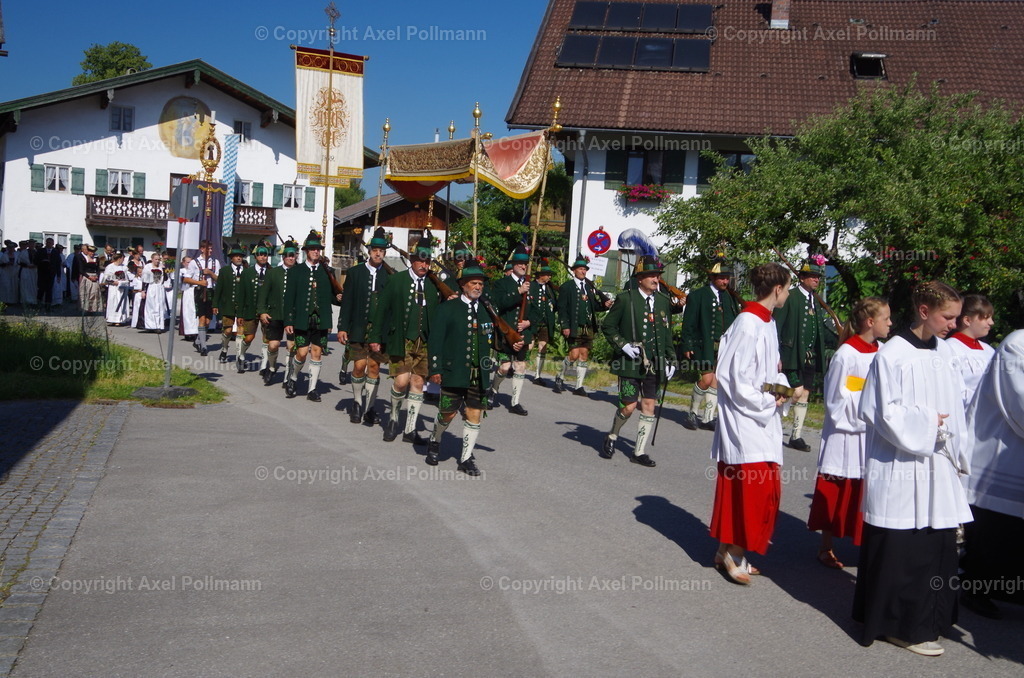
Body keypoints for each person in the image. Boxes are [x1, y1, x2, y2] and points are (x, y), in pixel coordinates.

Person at [853, 281, 972, 657]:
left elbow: (960, 409)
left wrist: (957, 452)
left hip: (937, 465)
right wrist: (928, 424)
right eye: (947, 317)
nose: (954, 324)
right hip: (901, 465)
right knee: (903, 548)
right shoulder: (892, 356)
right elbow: (879, 412)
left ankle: (929, 621)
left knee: (936, 545)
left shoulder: (944, 355)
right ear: (924, 311)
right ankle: (899, 626)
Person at [708, 262, 791, 584]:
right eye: (787, 288)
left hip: (762, 416)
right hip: (745, 419)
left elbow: (768, 370)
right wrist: (767, 400)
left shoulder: (767, 322)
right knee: (753, 487)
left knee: (757, 485)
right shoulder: (747, 322)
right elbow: (731, 376)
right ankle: (735, 552)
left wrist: (780, 388)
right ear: (778, 288)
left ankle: (725, 548)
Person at [806, 297, 891, 569]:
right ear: (870, 322)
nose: (891, 323)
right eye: (886, 319)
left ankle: (865, 544)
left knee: (868, 491)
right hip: (847, 434)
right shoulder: (846, 354)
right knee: (838, 489)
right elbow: (835, 399)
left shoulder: (885, 351)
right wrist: (867, 407)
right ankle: (825, 546)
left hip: (874, 433)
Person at [961, 329, 1024, 619]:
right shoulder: (1016, 346)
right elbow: (1019, 404)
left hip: (1014, 455)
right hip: (998, 453)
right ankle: (976, 588)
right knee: (995, 528)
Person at [425, 262, 511, 476]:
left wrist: (507, 349)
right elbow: (435, 341)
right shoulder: (447, 308)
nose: (478, 287)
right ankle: (435, 442)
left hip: (478, 375)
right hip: (453, 372)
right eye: (473, 283)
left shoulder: (486, 310)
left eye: (480, 284)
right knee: (447, 413)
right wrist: (435, 368)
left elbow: (495, 339)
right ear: (463, 285)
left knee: (474, 414)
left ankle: (465, 457)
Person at [600, 255, 678, 468]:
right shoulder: (626, 298)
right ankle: (613, 435)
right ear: (640, 278)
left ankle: (639, 451)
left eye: (657, 275)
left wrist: (671, 360)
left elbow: (666, 334)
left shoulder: (663, 301)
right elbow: (608, 326)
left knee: (649, 405)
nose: (656, 279)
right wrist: (623, 345)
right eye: (651, 275)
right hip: (629, 362)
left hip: (655, 362)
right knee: (629, 406)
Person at [369, 236, 440, 444]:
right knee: (401, 382)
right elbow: (382, 310)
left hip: (424, 342)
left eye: (427, 262)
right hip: (401, 339)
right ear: (412, 260)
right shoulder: (396, 280)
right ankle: (392, 420)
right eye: (420, 260)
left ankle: (410, 429)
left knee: (418, 382)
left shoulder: (433, 286)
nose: (424, 265)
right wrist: (375, 337)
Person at [775, 256, 838, 451]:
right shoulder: (791, 296)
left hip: (810, 356)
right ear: (801, 277)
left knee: (805, 395)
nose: (816, 280)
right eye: (811, 276)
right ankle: (775, 405)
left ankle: (796, 435)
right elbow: (775, 326)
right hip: (792, 354)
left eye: (817, 277)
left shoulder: (815, 301)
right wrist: (776, 354)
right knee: (796, 392)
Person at [680, 257, 742, 430]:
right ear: (713, 278)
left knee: (718, 380)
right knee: (707, 380)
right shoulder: (698, 295)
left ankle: (707, 418)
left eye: (727, 277)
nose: (725, 281)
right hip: (703, 345)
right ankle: (692, 413)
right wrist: (687, 344)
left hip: (724, 346)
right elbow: (689, 322)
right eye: (722, 278)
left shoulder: (730, 298)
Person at [337, 227, 391, 424]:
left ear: (385, 253)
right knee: (359, 366)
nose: (378, 253)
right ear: (369, 251)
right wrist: (342, 327)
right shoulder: (355, 273)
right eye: (375, 250)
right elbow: (348, 302)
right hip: (358, 327)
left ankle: (370, 407)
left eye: (382, 250)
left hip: (379, 331)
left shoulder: (390, 276)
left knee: (374, 367)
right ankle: (357, 402)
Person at [283, 231, 334, 401]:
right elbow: (289, 298)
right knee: (302, 352)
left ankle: (312, 389)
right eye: (313, 249)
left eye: (318, 249)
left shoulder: (328, 271)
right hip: (301, 319)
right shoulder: (296, 271)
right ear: (306, 251)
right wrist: (288, 320)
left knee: (317, 352)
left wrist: (340, 298)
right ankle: (293, 378)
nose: (316, 252)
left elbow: (332, 295)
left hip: (321, 319)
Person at [556, 254, 613, 396]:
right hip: (573, 326)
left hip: (588, 327)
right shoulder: (566, 287)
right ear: (574, 270)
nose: (583, 271)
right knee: (574, 354)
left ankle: (578, 386)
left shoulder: (589, 287)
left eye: (585, 269)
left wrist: (604, 305)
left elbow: (594, 307)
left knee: (584, 354)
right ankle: (560, 376)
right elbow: (561, 308)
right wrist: (565, 326)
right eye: (581, 269)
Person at [489, 245, 535, 414]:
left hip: (524, 333)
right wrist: (518, 291)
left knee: (520, 366)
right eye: (520, 263)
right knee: (504, 367)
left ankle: (515, 402)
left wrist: (529, 322)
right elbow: (498, 304)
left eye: (526, 264)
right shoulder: (502, 284)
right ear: (514, 265)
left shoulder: (532, 285)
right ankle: (493, 390)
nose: (524, 266)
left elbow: (538, 311)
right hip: (506, 332)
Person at [257, 238, 299, 386]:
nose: (291, 257)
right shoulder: (273, 273)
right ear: (283, 257)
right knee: (273, 345)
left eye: (293, 255)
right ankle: (272, 367)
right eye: (288, 255)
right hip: (275, 314)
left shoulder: (301, 273)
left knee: (291, 346)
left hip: (293, 317)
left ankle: (288, 376)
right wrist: (262, 312)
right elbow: (263, 294)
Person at [945, 294, 996, 406]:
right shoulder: (950, 348)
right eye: (986, 318)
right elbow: (957, 392)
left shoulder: (989, 350)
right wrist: (992, 398)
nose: (991, 322)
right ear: (967, 320)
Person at [234, 241, 271, 374]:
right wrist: (240, 314)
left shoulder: (271, 272)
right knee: (249, 337)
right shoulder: (247, 273)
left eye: (265, 254)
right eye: (260, 254)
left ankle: (264, 364)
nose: (263, 257)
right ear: (255, 256)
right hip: (250, 309)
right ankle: (241, 356)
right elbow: (241, 295)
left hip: (266, 311)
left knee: (267, 338)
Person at [183, 240, 221, 357]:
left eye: (211, 248)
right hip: (199, 291)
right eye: (208, 248)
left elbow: (219, 279)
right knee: (202, 318)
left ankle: (198, 340)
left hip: (211, 291)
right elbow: (186, 279)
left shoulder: (215, 262)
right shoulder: (194, 263)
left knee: (208, 321)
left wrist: (210, 272)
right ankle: (204, 347)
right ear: (202, 249)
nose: (210, 250)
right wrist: (199, 282)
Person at [213, 243, 247, 363]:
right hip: (228, 305)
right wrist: (215, 304)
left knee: (240, 331)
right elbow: (219, 289)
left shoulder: (247, 271)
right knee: (227, 331)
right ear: (231, 258)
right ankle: (224, 349)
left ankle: (239, 356)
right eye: (236, 256)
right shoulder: (224, 271)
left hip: (243, 307)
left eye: (240, 256)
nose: (238, 258)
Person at [528, 259, 558, 386]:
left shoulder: (550, 290)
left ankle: (537, 375)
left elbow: (554, 305)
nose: (550, 276)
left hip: (545, 323)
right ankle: (518, 368)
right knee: (528, 346)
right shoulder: (531, 286)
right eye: (547, 274)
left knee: (543, 348)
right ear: (540, 275)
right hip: (531, 322)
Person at [102, 252, 132, 326]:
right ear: (119, 258)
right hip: (114, 288)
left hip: (122, 288)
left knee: (122, 302)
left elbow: (128, 277)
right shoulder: (110, 267)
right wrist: (113, 282)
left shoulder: (124, 267)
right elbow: (105, 279)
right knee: (114, 302)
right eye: (122, 259)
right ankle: (113, 319)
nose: (123, 260)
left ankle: (121, 319)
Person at [141, 252, 168, 332]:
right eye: (155, 259)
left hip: (159, 288)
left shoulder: (161, 267)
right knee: (151, 306)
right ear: (152, 259)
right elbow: (144, 280)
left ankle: (158, 325)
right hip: (151, 287)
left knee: (159, 306)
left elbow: (165, 278)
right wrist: (143, 290)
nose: (157, 261)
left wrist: (164, 269)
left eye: (158, 259)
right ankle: (150, 325)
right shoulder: (147, 267)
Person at [36, 238, 62, 308]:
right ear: (45, 243)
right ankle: (38, 303)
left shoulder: (55, 252)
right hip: (42, 273)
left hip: (51, 273)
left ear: (53, 244)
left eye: (50, 243)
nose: (49, 244)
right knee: (41, 288)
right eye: (48, 242)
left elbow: (58, 264)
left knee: (49, 289)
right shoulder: (41, 251)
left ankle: (48, 305)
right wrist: (42, 261)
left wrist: (59, 275)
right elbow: (36, 261)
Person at [78, 245, 102, 313]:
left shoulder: (96, 258)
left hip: (94, 276)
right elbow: (81, 269)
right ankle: (85, 308)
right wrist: (89, 277)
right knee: (86, 293)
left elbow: (98, 269)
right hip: (87, 277)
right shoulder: (83, 258)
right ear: (88, 251)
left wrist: (97, 276)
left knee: (94, 293)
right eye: (91, 252)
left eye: (93, 252)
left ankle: (93, 309)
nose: (92, 253)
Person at [17, 241, 38, 308]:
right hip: (26, 270)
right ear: (28, 245)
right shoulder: (24, 252)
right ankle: (25, 301)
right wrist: (27, 265)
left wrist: (36, 265)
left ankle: (33, 301)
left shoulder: (37, 252)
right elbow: (19, 262)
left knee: (34, 285)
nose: (32, 245)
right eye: (31, 244)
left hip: (34, 271)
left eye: (33, 244)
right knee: (25, 285)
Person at [0, 240, 18, 306]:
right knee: (6, 286)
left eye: (12, 247)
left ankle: (12, 301)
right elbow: (1, 264)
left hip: (14, 272)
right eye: (10, 247)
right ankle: (4, 301)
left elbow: (18, 262)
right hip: (6, 272)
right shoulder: (4, 255)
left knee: (13, 286)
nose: (11, 249)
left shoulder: (17, 254)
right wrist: (6, 264)